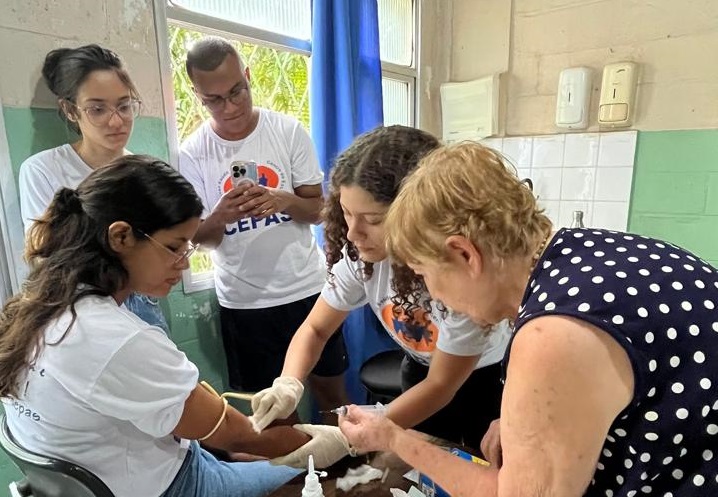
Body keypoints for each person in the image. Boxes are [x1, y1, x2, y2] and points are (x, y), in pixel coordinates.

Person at [339, 141, 718, 496]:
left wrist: (394, 438)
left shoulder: (553, 333)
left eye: (424, 273)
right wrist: (527, 424)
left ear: (465, 255)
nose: (434, 295)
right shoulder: (598, 252)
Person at [0, 156, 351, 497]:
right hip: (175, 485)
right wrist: (329, 441)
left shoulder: (40, 306)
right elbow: (236, 434)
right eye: (173, 247)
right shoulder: (116, 339)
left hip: (132, 468)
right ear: (120, 237)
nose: (183, 264)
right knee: (324, 478)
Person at [250, 126, 511, 450]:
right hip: (421, 370)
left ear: (416, 213)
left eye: (372, 220)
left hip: (484, 380)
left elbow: (443, 385)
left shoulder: (457, 273)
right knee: (419, 469)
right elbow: (316, 329)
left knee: (478, 467)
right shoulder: (364, 257)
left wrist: (359, 435)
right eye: (346, 214)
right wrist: (288, 383)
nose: (352, 233)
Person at [178, 36, 348, 419]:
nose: (230, 106)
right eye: (214, 100)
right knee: (273, 410)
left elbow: (321, 210)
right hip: (244, 303)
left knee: (331, 393)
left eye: (237, 90)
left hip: (306, 289)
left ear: (248, 76)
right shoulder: (192, 154)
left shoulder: (287, 132)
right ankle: (297, 478)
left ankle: (347, 473)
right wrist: (220, 216)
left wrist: (284, 201)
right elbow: (196, 240)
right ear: (197, 96)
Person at [18, 44, 169, 333]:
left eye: (124, 106)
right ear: (70, 110)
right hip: (80, 310)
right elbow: (47, 257)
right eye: (97, 109)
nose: (116, 121)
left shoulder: (146, 171)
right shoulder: (43, 169)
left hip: (142, 304)